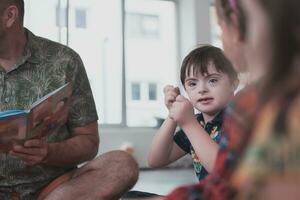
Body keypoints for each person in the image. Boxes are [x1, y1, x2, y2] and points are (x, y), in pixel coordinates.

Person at [0, 1, 138, 199]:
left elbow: (89, 142)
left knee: (122, 165)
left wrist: (48, 152)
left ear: (10, 16)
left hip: (54, 189)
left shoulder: (64, 61)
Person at [148, 45, 238, 181]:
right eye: (192, 84)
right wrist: (173, 113)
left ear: (233, 84)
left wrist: (188, 123)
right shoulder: (197, 123)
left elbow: (223, 171)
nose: (201, 89)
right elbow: (156, 160)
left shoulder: (238, 119)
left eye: (212, 80)